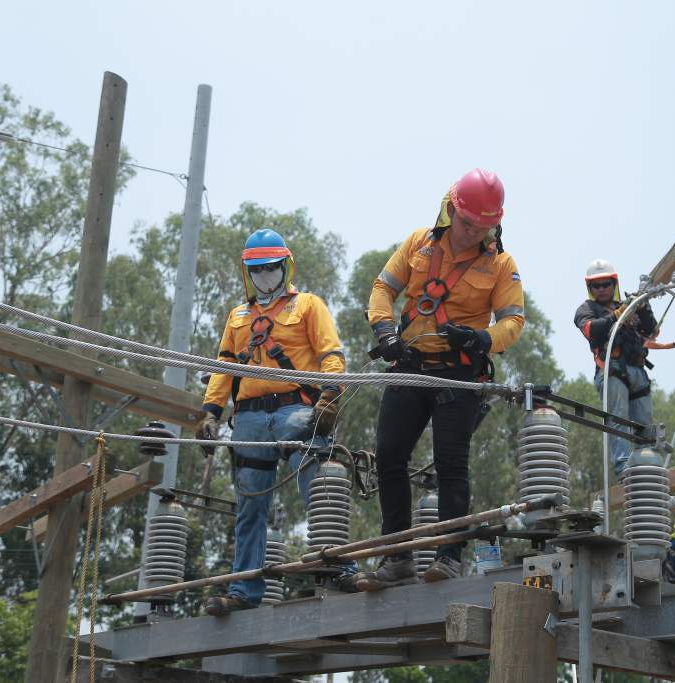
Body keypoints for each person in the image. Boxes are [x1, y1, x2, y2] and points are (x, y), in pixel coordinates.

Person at [355, 169, 525, 591]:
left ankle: (448, 556)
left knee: (452, 464)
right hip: (409, 364)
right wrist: (385, 331)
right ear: (451, 211)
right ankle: (396, 558)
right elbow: (382, 288)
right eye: (467, 223)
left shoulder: (501, 264)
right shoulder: (418, 243)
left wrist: (482, 338)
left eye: (483, 227)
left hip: (458, 372)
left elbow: (513, 321)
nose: (472, 233)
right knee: (390, 457)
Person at [196, 228, 349, 615]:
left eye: (272, 269)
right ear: (248, 273)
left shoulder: (309, 306)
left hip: (293, 408)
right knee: (249, 506)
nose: (266, 276)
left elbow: (331, 354)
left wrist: (330, 394)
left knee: (317, 481)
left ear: (286, 267)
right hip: (248, 418)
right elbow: (224, 367)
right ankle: (246, 591)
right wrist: (211, 412)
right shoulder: (238, 316)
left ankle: (339, 566)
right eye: (258, 270)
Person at [573, 259, 657, 476]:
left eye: (605, 284)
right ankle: (624, 469)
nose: (601, 289)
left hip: (638, 371)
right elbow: (591, 330)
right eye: (596, 286)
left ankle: (647, 466)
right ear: (590, 288)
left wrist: (643, 307)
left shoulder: (628, 306)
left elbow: (652, 333)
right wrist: (618, 314)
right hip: (612, 370)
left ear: (614, 284)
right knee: (618, 418)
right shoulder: (587, 309)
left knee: (644, 424)